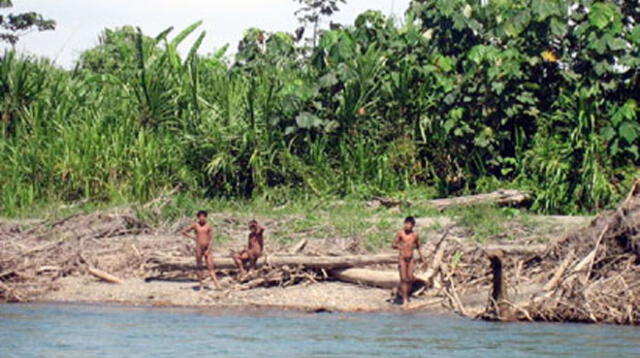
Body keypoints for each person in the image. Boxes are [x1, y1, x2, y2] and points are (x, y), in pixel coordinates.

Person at [182, 210, 220, 290]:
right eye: (200, 217)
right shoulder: (195, 225)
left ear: (206, 217)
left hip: (207, 248)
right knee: (199, 267)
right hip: (198, 248)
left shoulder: (208, 226)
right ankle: (201, 285)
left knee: (211, 267)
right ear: (198, 217)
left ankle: (217, 284)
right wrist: (193, 238)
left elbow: (211, 238)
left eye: (203, 216)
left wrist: (209, 249)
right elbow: (184, 231)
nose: (202, 218)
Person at [392, 216, 424, 305]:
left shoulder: (415, 235)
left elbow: (418, 246)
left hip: (411, 259)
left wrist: (422, 257)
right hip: (402, 258)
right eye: (406, 223)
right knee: (403, 278)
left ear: (413, 225)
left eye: (409, 224)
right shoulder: (400, 233)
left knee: (409, 278)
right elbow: (393, 244)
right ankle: (405, 299)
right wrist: (399, 246)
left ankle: (402, 291)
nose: (407, 226)